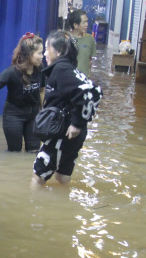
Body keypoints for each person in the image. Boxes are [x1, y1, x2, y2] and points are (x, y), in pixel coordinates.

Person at [32, 30, 102, 187]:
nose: (44, 54)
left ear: (60, 51)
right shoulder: (69, 68)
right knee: (62, 176)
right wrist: (79, 124)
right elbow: (94, 92)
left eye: (47, 49)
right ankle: (63, 207)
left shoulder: (61, 70)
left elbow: (91, 92)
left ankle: (34, 210)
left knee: (37, 177)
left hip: (61, 134)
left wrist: (76, 123)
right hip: (71, 134)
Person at [68, 9, 95, 77]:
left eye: (87, 21)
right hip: (69, 79)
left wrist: (88, 77)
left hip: (84, 80)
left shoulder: (90, 39)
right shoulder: (65, 38)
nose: (87, 25)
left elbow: (89, 60)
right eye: (84, 22)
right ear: (75, 25)